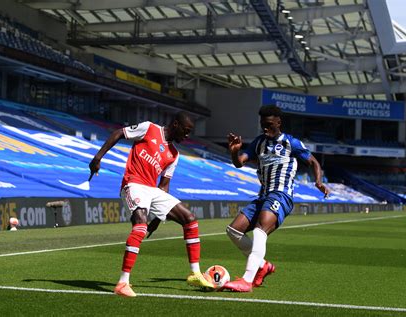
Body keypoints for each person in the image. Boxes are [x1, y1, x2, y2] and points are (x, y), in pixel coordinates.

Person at [89, 111, 214, 297]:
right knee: (140, 227)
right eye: (186, 131)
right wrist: (98, 158)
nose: (187, 136)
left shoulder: (174, 154)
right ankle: (123, 283)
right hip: (133, 184)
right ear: (176, 125)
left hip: (153, 190)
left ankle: (195, 273)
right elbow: (118, 133)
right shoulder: (149, 128)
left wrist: (157, 217)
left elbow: (163, 186)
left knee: (190, 219)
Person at [223, 105, 330, 292]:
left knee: (259, 230)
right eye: (262, 124)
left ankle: (247, 280)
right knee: (233, 230)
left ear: (278, 123)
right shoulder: (258, 142)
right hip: (262, 196)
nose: (265, 128)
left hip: (282, 194)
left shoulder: (291, 143)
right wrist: (234, 151)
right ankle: (263, 265)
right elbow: (239, 163)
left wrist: (318, 181)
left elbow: (313, 161)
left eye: (269, 124)